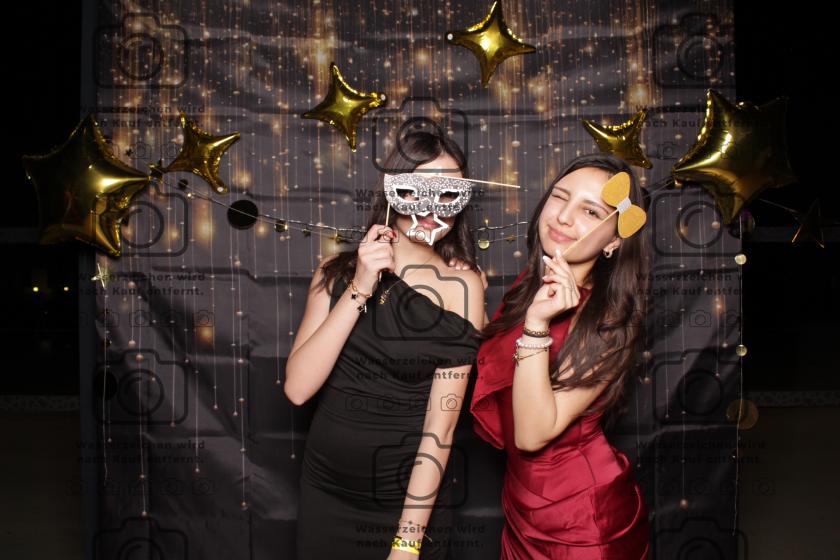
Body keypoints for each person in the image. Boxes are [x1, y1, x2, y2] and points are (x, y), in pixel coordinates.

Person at [285, 131, 486, 559]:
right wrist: (360, 286)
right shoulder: (335, 271)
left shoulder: (463, 286)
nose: (432, 207)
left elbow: (441, 426)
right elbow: (298, 389)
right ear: (393, 190)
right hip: (325, 492)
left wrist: (407, 542)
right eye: (419, 188)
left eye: (448, 192)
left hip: (405, 505)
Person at [469, 154, 651, 559]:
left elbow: (533, 433)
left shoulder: (608, 321)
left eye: (590, 211)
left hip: (582, 520)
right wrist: (472, 297)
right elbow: (503, 362)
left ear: (615, 240)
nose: (564, 217)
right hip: (522, 501)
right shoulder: (536, 282)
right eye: (560, 197)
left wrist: (537, 323)